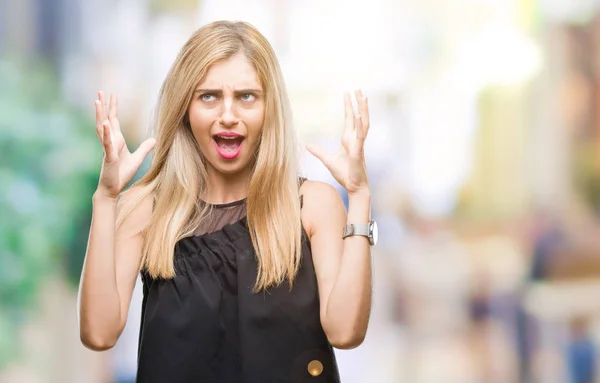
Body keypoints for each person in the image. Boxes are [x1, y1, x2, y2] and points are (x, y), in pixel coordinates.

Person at [77, 20, 376, 383]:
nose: (228, 115)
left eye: (246, 96)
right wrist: (106, 198)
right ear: (185, 107)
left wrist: (359, 196)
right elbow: (99, 333)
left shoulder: (312, 205)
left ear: (270, 108)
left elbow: (346, 333)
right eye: (209, 96)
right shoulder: (147, 209)